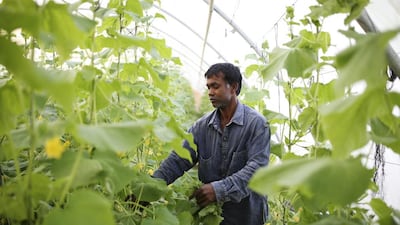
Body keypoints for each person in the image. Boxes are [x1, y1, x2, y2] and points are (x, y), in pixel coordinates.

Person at [153, 62, 271, 225]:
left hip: (247, 216)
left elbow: (257, 170)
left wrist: (218, 190)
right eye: (208, 87)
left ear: (234, 87)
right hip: (213, 217)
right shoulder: (201, 127)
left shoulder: (256, 124)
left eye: (215, 86)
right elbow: (178, 160)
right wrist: (150, 187)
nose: (210, 93)